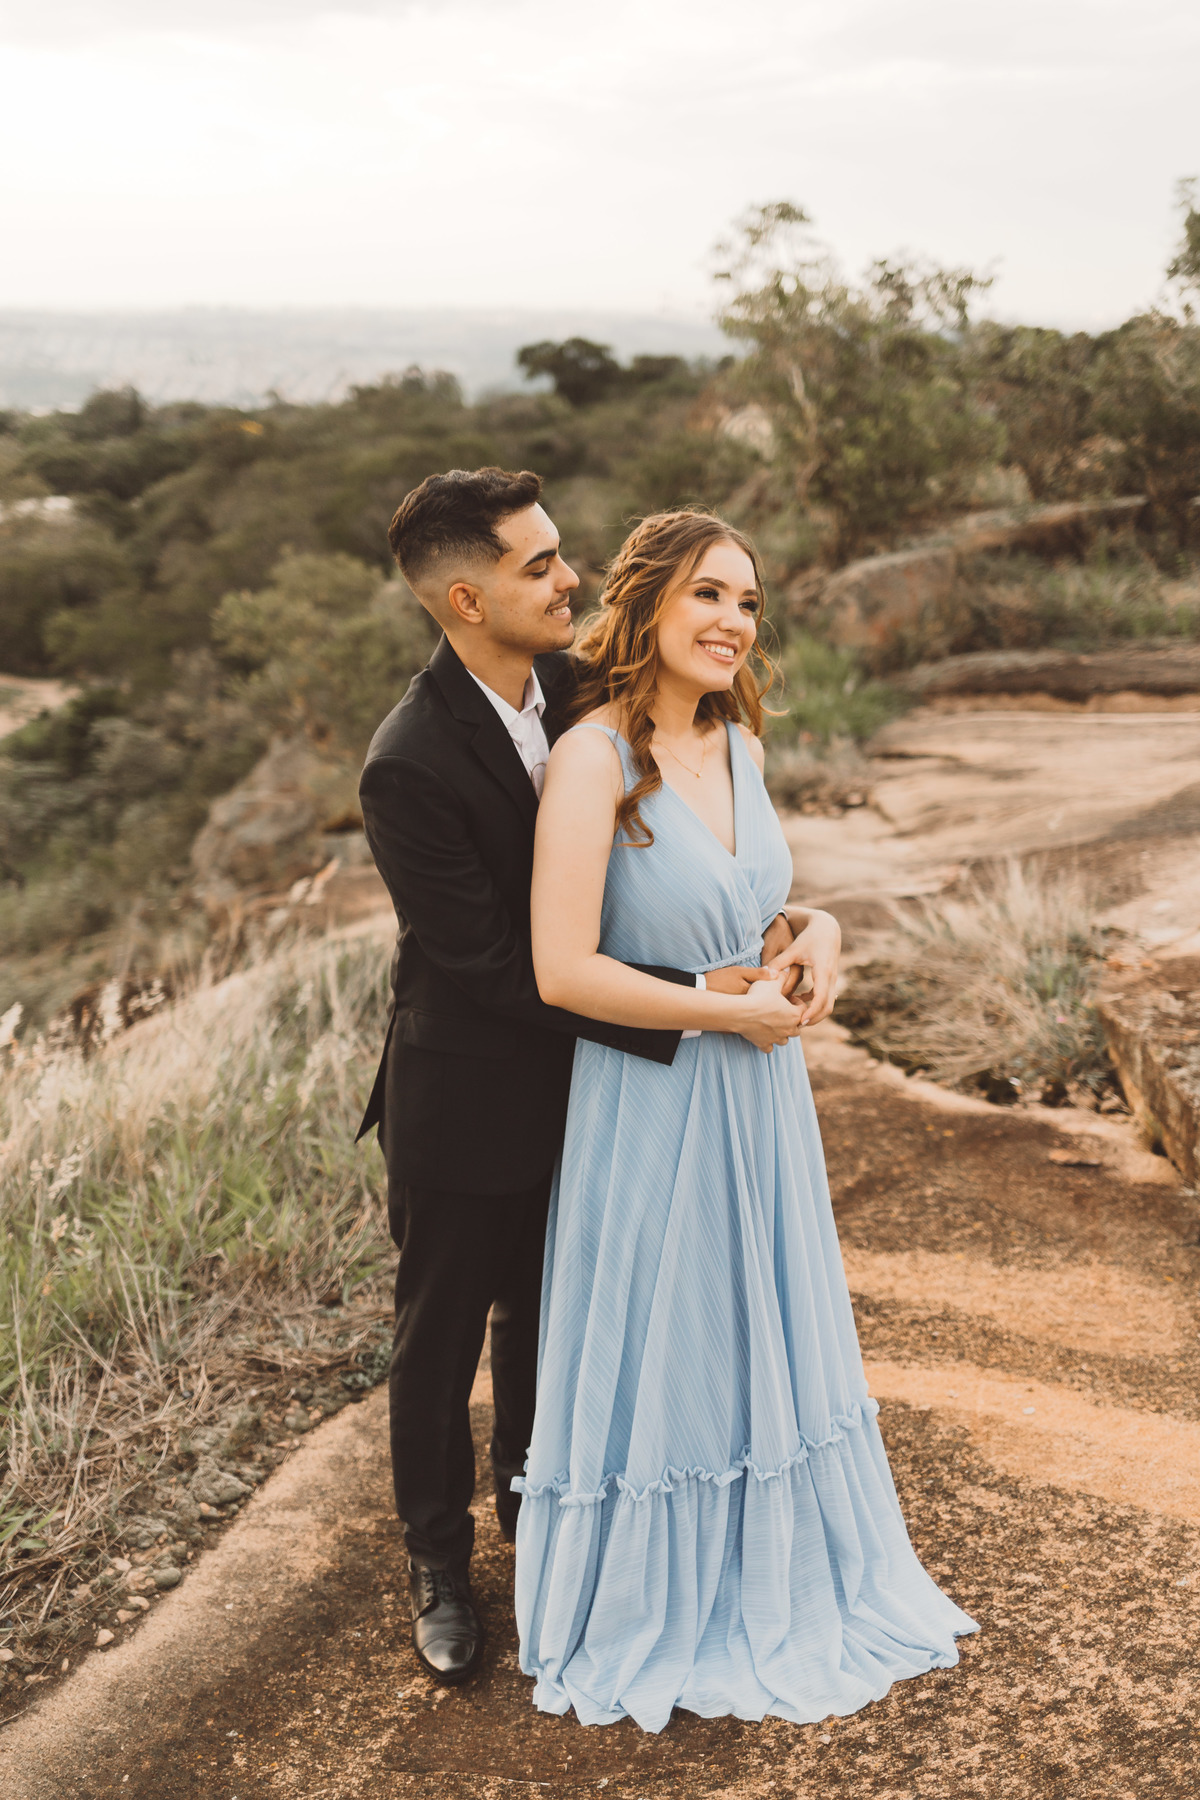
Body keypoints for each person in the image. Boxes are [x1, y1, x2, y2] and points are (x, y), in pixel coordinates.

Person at [517, 508, 978, 1730]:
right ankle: (657, 1600)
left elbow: (756, 914)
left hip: (761, 1096)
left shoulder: (740, 744)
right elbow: (561, 970)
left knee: (752, 1327)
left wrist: (816, 935)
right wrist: (725, 1018)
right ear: (650, 604)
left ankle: (775, 1573)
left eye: (750, 603)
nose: (733, 623)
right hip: (658, 1098)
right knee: (673, 1338)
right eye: (710, 596)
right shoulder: (592, 759)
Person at [356, 469, 806, 1686]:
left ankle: (536, 1507)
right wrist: (696, 1008)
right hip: (470, 1086)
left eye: (562, 556)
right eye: (538, 564)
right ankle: (439, 1567)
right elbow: (504, 969)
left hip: (593, 1083)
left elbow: (665, 843)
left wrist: (775, 927)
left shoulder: (575, 692)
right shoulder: (406, 763)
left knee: (552, 1315)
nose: (569, 579)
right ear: (465, 596)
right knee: (440, 1336)